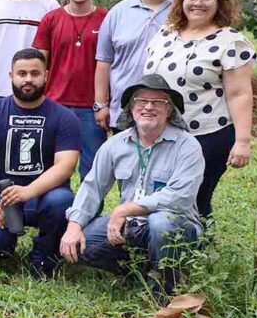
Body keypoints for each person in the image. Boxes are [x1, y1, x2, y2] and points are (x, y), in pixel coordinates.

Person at [61, 74, 205, 298]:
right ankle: (141, 270)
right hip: (131, 226)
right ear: (131, 107)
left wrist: (126, 208)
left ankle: (165, 292)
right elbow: (92, 187)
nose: (148, 107)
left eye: (158, 102)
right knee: (82, 243)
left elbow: (180, 198)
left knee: (161, 222)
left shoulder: (188, 146)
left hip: (176, 225)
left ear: (170, 111)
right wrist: (74, 225)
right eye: (141, 101)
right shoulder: (115, 145)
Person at [142, 0, 256, 219]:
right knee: (158, 194)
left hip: (207, 135)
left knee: (194, 199)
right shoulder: (165, 34)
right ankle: (156, 248)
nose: (198, 3)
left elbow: (240, 94)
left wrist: (243, 141)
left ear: (219, 3)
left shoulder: (231, 42)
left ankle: (197, 251)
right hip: (162, 133)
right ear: (181, 0)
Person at [0, 49, 80, 277]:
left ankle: (45, 256)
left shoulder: (64, 117)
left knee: (63, 200)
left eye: (35, 73)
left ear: (46, 75)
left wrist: (28, 191)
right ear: (11, 75)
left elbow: (66, 165)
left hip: (44, 195)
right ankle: (4, 247)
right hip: (0, 196)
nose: (28, 79)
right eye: (22, 73)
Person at [33, 0, 109, 180]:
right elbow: (39, 61)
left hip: (91, 108)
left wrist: (103, 103)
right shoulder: (52, 18)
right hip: (55, 104)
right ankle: (55, 212)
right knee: (53, 167)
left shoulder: (106, 19)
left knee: (92, 170)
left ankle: (88, 214)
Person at [94, 0, 175, 133]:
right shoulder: (118, 12)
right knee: (127, 162)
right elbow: (104, 61)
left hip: (171, 108)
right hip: (126, 107)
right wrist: (100, 104)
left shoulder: (185, 7)